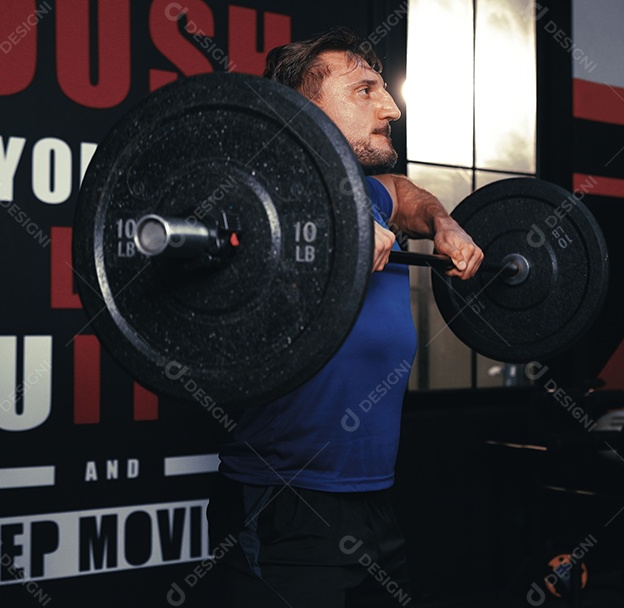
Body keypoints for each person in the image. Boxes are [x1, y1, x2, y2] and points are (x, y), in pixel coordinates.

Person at [207, 26, 483, 607]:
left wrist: (441, 222)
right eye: (364, 91)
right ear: (303, 110)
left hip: (375, 500)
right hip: (283, 504)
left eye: (384, 88)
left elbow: (402, 190)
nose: (391, 107)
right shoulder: (260, 205)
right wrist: (339, 236)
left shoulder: (365, 192)